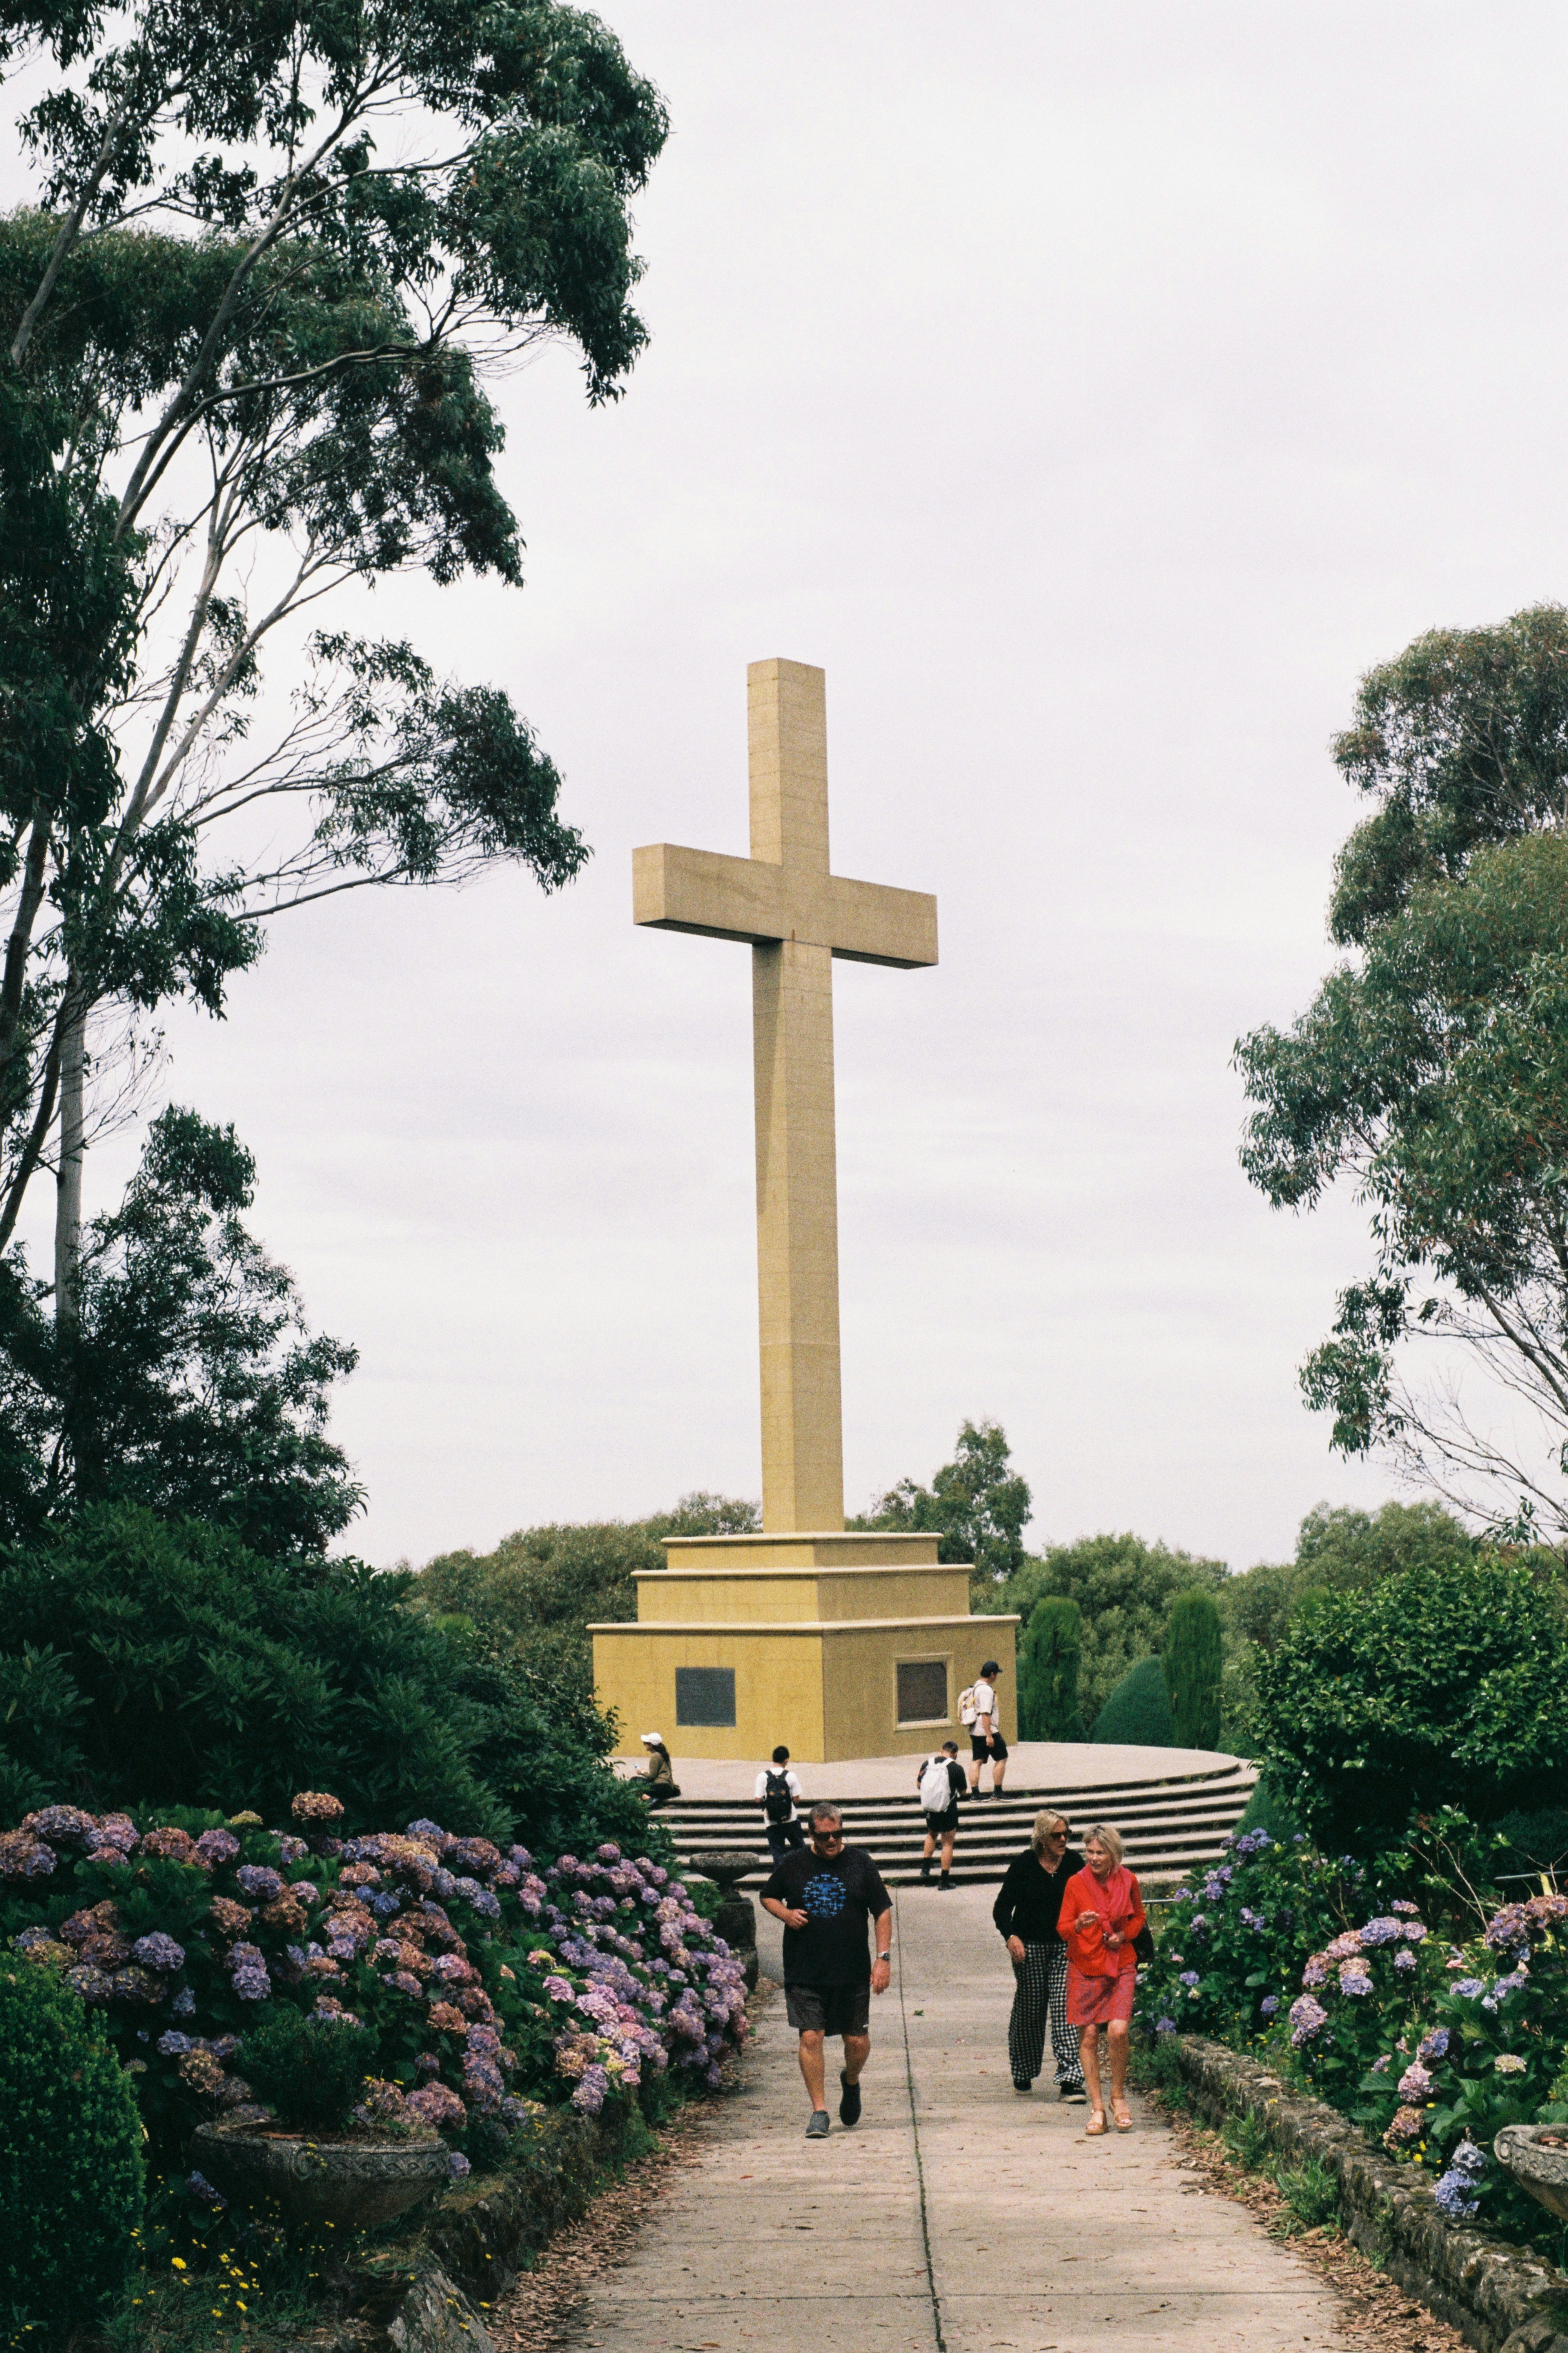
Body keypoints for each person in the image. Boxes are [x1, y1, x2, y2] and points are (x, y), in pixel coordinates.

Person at [760, 1801, 892, 2139]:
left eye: (837, 1834)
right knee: (810, 2036)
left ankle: (850, 2080)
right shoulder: (794, 1864)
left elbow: (882, 1911)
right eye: (824, 1836)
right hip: (806, 1969)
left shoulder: (860, 1863)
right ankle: (819, 2110)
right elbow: (768, 1896)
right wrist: (786, 1915)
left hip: (851, 1970)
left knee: (857, 2041)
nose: (832, 1841)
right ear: (811, 1834)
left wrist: (883, 1958)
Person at [991, 1810, 1087, 2101]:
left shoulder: (1073, 1863)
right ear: (1042, 1838)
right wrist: (1011, 1937)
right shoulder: (1024, 1865)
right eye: (1056, 1835)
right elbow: (1001, 1908)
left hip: (1063, 1947)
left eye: (1066, 1834)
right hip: (1029, 1948)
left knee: (1064, 2009)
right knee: (1031, 2010)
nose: (1062, 1840)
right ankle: (1023, 2069)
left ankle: (1071, 2078)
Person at [1058, 1821, 1145, 2135]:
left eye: (1100, 1853)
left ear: (1114, 1854)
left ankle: (1118, 2097)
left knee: (1119, 2031)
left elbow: (1139, 1916)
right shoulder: (1075, 1883)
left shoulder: (1129, 1880)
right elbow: (1063, 1928)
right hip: (1085, 1964)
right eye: (1089, 1852)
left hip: (1121, 1961)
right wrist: (1080, 1925)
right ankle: (1098, 2108)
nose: (1093, 1858)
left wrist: (1124, 1935)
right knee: (1090, 2036)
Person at [916, 1741, 966, 1887]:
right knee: (947, 1843)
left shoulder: (928, 1763)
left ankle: (925, 1870)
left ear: (941, 1750)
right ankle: (944, 1881)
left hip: (931, 1808)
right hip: (948, 1809)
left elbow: (919, 1785)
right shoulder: (957, 1768)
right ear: (955, 1754)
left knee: (931, 1835)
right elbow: (963, 1792)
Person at [755, 1745, 806, 1861]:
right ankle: (804, 1876)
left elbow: (758, 1799)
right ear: (786, 1760)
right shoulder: (791, 1776)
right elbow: (797, 1799)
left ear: (773, 1758)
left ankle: (781, 1878)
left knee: (778, 1855)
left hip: (772, 1822)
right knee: (801, 1851)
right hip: (791, 1820)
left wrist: (767, 1805)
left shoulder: (762, 1776)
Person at [967, 1659, 1008, 1796]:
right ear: (992, 1674)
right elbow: (985, 1713)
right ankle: (998, 1792)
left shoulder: (975, 1688)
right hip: (986, 1730)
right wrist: (989, 1735)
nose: (996, 1677)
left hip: (975, 1730)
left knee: (977, 1760)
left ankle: (975, 1793)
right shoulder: (986, 1690)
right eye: (996, 1674)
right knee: (1002, 1758)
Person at [637, 1733, 679, 1808]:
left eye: (645, 1744)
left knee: (635, 1781)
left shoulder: (655, 1756)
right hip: (668, 1787)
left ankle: (648, 1798)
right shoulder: (664, 1754)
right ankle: (648, 1797)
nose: (644, 1745)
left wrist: (642, 1773)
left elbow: (652, 1777)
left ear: (651, 1745)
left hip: (661, 1787)